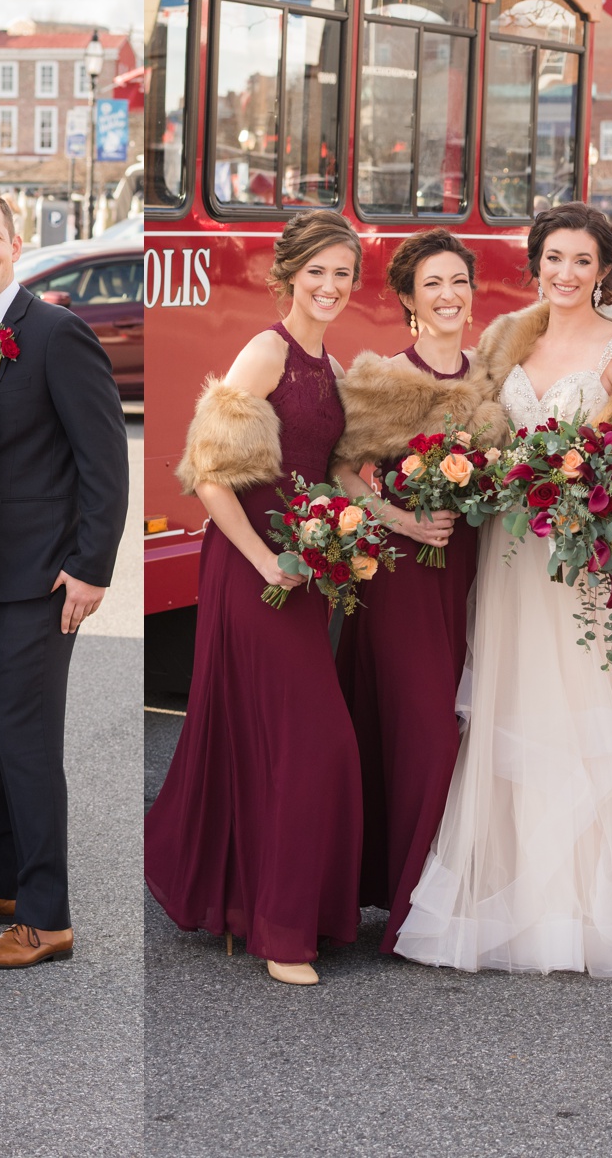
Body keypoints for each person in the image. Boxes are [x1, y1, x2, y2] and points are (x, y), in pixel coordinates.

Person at [394, 204, 612, 978]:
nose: (565, 273)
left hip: (586, 556)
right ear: (536, 265)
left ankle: (592, 911)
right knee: (516, 701)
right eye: (553, 258)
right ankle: (513, 902)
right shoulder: (506, 341)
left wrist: (590, 483)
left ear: (603, 271)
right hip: (512, 554)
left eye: (582, 261)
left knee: (586, 707)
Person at [145, 209, 365, 988]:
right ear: (289, 278)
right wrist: (267, 561)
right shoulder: (267, 352)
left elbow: (329, 470)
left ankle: (268, 907)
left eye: (344, 273)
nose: (332, 286)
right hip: (253, 570)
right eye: (319, 272)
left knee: (282, 744)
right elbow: (208, 473)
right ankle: (280, 932)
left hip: (304, 573)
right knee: (314, 744)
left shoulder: (325, 361)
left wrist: (381, 520)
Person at [0, 187, 128, 968]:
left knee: (26, 747)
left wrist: (90, 566)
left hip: (41, 582)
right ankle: (2, 876)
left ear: (15, 245)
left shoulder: (55, 333)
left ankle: (46, 917)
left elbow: (104, 458)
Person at [329, 229, 504, 953]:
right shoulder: (381, 378)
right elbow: (341, 472)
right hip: (403, 578)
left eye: (458, 281)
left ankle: (446, 890)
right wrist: (399, 517)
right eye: (432, 284)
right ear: (407, 299)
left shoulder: (491, 378)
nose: (448, 296)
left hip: (480, 570)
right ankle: (407, 908)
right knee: (424, 733)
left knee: (469, 731)